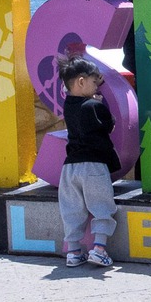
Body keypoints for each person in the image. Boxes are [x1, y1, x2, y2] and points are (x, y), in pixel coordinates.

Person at [58, 55, 121, 268]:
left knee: (72, 209)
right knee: (102, 206)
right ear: (82, 82)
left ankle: (74, 251)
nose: (97, 88)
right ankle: (99, 249)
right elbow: (109, 126)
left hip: (69, 168)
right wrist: (101, 106)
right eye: (95, 82)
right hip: (93, 165)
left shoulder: (68, 106)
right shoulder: (94, 105)